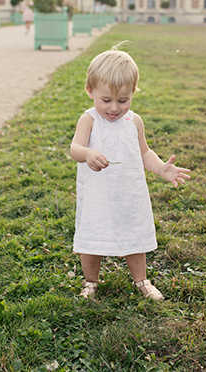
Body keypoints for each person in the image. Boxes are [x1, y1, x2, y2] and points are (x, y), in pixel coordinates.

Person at [70, 45, 191, 300]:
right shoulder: (89, 120)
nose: (114, 108)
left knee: (134, 234)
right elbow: (75, 148)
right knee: (94, 235)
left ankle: (142, 281)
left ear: (132, 94)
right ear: (90, 91)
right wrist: (88, 154)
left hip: (128, 191)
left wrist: (161, 169)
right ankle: (90, 281)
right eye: (107, 100)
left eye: (123, 100)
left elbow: (144, 152)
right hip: (98, 194)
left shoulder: (133, 121)